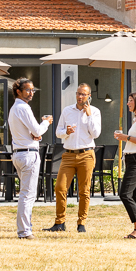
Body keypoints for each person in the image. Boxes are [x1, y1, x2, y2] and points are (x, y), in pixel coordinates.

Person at [45, 83, 101, 233]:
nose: (80, 97)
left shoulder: (94, 112)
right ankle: (59, 222)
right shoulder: (67, 110)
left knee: (84, 191)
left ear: (89, 96)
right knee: (60, 188)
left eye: (83, 94)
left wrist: (88, 115)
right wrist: (67, 132)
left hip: (86, 155)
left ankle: (81, 223)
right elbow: (58, 132)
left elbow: (95, 134)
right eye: (78, 93)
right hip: (68, 155)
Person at [8, 77, 52, 240]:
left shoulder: (14, 109)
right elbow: (38, 130)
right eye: (28, 90)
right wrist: (46, 122)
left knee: (25, 194)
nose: (31, 92)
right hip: (28, 154)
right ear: (18, 91)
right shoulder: (23, 108)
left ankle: (25, 229)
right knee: (27, 194)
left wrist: (35, 135)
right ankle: (25, 231)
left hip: (19, 152)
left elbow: (32, 133)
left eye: (33, 90)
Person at [113, 91, 136, 239]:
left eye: (130, 101)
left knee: (124, 193)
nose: (128, 103)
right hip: (131, 159)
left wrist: (126, 137)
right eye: (128, 100)